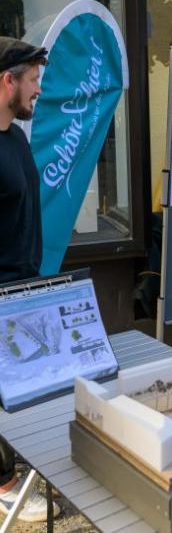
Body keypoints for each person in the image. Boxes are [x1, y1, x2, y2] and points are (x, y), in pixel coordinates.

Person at [0, 36, 60, 521]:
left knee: (27, 384)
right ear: (8, 81)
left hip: (24, 288)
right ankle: (4, 483)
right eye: (34, 79)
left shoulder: (16, 137)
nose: (39, 88)